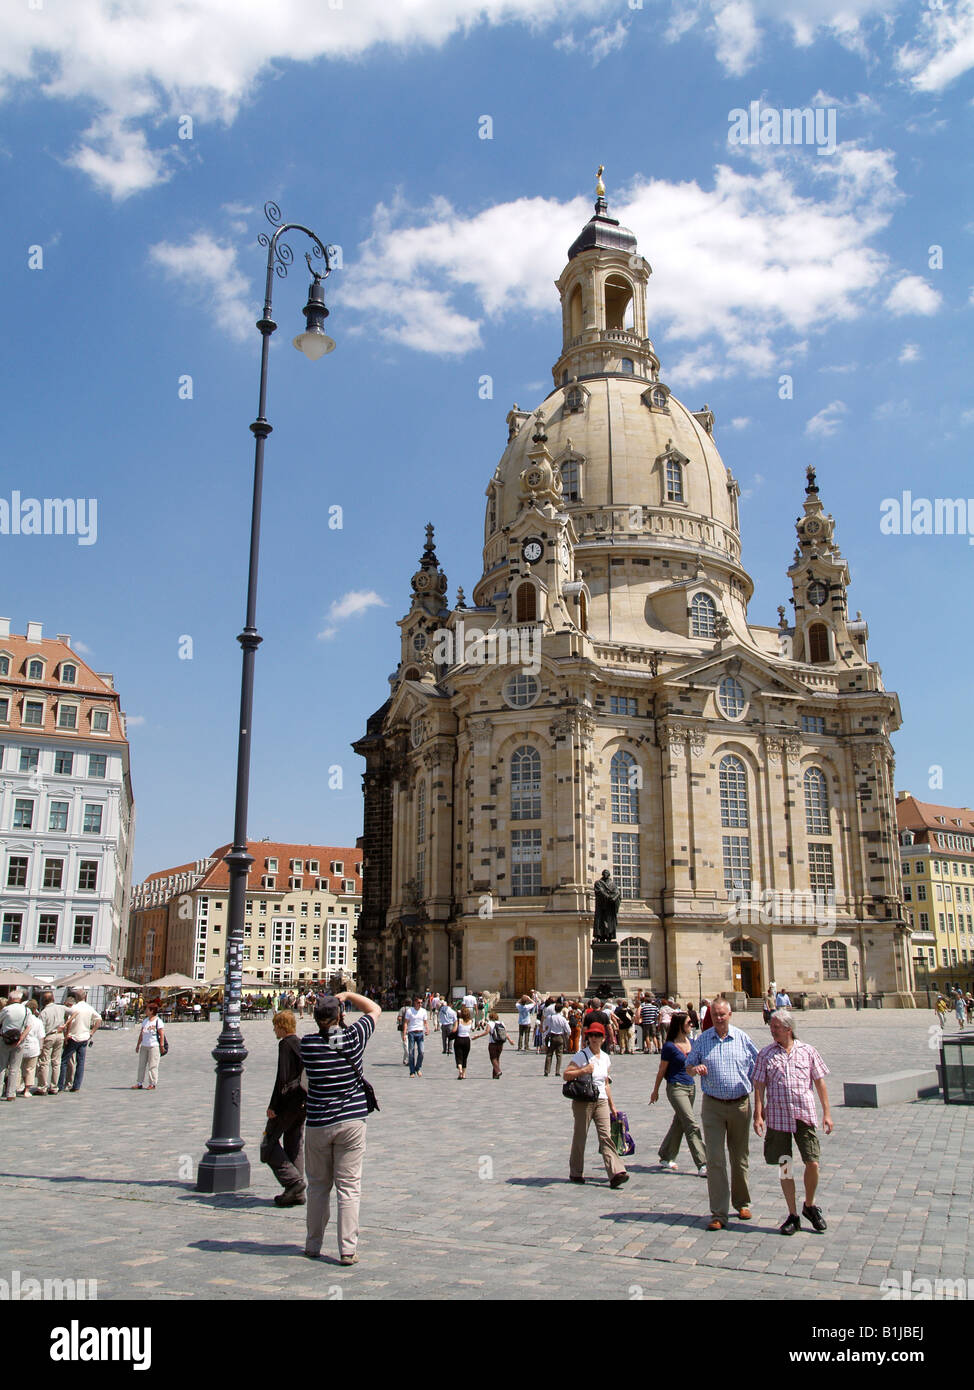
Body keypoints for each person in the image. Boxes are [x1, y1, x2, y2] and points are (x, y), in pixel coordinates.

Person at [300, 990, 381, 1265]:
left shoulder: (307, 1045)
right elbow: (374, 1010)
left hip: (318, 1123)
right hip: (351, 1121)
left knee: (318, 1186)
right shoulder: (353, 1038)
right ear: (340, 1015)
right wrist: (347, 994)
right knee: (348, 1187)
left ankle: (313, 1244)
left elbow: (303, 1083)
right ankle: (347, 1249)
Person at [753, 1010, 832, 1236]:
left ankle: (809, 1204)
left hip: (803, 1115)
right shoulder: (766, 1054)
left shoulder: (807, 1051)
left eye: (776, 1026)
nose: (772, 1029)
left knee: (812, 1162)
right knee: (785, 1165)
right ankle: (793, 1214)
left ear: (789, 1029)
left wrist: (827, 1113)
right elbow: (759, 1086)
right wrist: (758, 1115)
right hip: (778, 1119)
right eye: (772, 1025)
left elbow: (820, 1083)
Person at [685, 998, 759, 1230]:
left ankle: (742, 1202)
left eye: (722, 1014)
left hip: (740, 1104)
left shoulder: (743, 1038)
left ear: (730, 1015)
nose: (719, 1018)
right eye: (715, 1014)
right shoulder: (703, 1039)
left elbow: (759, 1069)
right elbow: (688, 1066)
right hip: (713, 1106)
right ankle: (718, 1212)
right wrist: (695, 1069)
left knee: (740, 1157)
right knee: (715, 1159)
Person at [563, 1022, 628, 1188]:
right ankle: (576, 1172)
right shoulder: (581, 1056)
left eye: (597, 1035)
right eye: (591, 1035)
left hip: (601, 1101)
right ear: (588, 1037)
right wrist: (583, 1070)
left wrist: (613, 1106)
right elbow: (566, 1075)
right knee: (580, 1135)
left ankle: (616, 1173)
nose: (594, 1038)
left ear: (603, 1038)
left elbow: (606, 1083)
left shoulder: (606, 1058)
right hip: (583, 1101)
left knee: (606, 1136)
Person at [650, 1011, 707, 1175]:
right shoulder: (669, 1046)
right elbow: (662, 1070)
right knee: (691, 1123)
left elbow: (697, 1064)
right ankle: (703, 1163)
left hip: (690, 1087)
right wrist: (655, 1091)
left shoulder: (692, 1042)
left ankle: (666, 1156)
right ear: (680, 1025)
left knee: (680, 1122)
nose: (692, 1025)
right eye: (689, 1023)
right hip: (676, 1087)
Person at [262, 1010, 307, 1207]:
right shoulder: (301, 1043)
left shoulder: (286, 1045)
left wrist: (273, 1106)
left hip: (286, 1105)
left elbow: (283, 1078)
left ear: (282, 1026)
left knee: (268, 1144)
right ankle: (296, 1193)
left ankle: (293, 1182)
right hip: (302, 1104)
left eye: (275, 1025)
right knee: (294, 1143)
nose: (274, 1029)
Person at [58, 990, 102, 1093]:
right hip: (84, 1037)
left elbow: (69, 1022)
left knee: (64, 1061)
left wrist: (66, 1036)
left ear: (76, 998)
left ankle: (60, 1085)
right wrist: (91, 1032)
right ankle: (76, 1085)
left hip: (73, 1037)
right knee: (80, 1062)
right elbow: (99, 1019)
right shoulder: (89, 1008)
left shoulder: (74, 1008)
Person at [0, 990, 31, 1101]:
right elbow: (28, 1027)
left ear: (11, 999)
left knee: (2, 1067)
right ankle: (11, 1094)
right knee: (15, 1068)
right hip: (19, 1041)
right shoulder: (27, 1010)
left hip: (5, 1040)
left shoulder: (6, 1009)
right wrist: (21, 1039)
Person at [36, 991, 67, 1094]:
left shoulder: (44, 1012)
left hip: (49, 1036)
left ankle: (42, 1087)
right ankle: (54, 1087)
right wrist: (65, 1024)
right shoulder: (61, 1007)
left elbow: (41, 1029)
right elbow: (74, 1012)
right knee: (56, 1062)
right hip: (59, 1035)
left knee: (44, 1062)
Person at [131, 1000, 166, 1090]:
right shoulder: (145, 1021)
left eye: (147, 1010)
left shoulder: (158, 1021)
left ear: (152, 1011)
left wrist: (162, 1046)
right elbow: (141, 1033)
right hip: (144, 1045)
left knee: (153, 1065)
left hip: (154, 1046)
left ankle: (152, 1083)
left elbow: (161, 1034)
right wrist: (138, 1045)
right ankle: (139, 1083)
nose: (145, 1011)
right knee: (141, 1064)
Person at [17, 999, 45, 1097]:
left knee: (19, 1068)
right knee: (30, 1069)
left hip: (21, 1046)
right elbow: (41, 1036)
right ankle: (27, 1090)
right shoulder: (38, 1021)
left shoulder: (22, 1019)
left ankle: (17, 1086)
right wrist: (41, 1049)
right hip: (33, 1047)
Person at [452, 1006, 485, 1080]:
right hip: (467, 1040)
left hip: (459, 1039)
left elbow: (454, 1030)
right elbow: (472, 1028)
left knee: (458, 1056)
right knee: (465, 1057)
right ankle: (463, 1074)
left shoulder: (459, 1020)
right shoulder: (470, 1021)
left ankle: (460, 1070)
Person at [402, 995, 429, 1077]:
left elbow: (425, 1022)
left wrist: (427, 1029)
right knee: (411, 1052)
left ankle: (418, 1067)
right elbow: (406, 1023)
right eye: (418, 1002)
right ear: (415, 1002)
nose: (420, 1004)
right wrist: (404, 1034)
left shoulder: (424, 1011)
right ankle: (412, 1071)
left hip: (420, 1033)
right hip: (411, 1033)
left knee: (421, 1052)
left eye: (421, 1002)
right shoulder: (410, 1011)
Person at [543, 1001, 572, 1077]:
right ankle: (557, 1071)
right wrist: (568, 1034)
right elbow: (567, 1029)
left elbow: (546, 1027)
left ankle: (546, 1071)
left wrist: (544, 1035)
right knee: (559, 1055)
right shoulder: (562, 1019)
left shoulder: (550, 1017)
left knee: (549, 1054)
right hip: (559, 1037)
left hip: (551, 1036)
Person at [486, 1011, 508, 1078]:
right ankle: (495, 1075)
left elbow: (486, 1031)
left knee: (493, 1058)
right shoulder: (502, 1023)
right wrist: (510, 1041)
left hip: (493, 1043)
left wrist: (477, 1036)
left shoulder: (490, 1023)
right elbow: (505, 1033)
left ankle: (498, 1071)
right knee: (497, 1058)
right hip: (500, 1043)